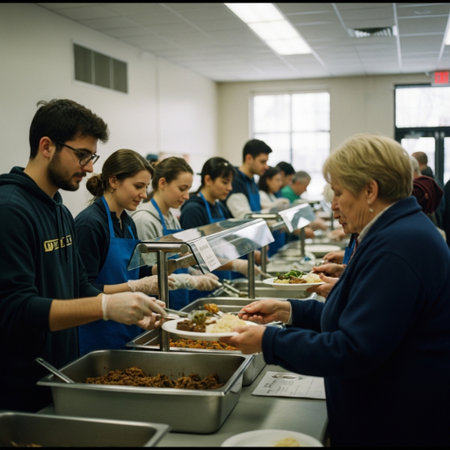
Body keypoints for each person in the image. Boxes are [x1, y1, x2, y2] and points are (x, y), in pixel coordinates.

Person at [221, 133, 450, 446]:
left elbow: (354, 348)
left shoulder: (398, 246)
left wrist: (268, 340)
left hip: (396, 423)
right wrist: (289, 310)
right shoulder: (394, 234)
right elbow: (356, 313)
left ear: (370, 191)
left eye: (340, 192)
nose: (335, 203)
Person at [0, 99, 165, 412]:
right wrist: (105, 306)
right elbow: (14, 309)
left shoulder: (59, 210)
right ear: (46, 146)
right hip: (18, 390)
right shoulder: (10, 210)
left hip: (59, 374)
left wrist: (131, 304)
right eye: (82, 155)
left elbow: (79, 286)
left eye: (93, 157)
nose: (90, 168)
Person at [75, 149, 173, 355]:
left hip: (129, 328)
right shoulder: (90, 224)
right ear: (113, 181)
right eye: (138, 186)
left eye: (146, 187)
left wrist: (163, 269)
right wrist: (134, 286)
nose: (144, 195)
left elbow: (138, 269)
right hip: (98, 335)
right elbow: (84, 289)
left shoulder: (127, 221)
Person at [132, 156, 220, 310]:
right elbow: (148, 274)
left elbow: (177, 263)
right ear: (162, 183)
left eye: (188, 189)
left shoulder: (172, 218)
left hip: (177, 302)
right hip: (157, 305)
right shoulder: (144, 219)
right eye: (182, 188)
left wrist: (196, 273)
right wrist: (190, 281)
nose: (187, 196)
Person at [180, 156, 267, 281]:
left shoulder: (220, 206)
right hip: (204, 283)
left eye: (231, 183)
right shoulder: (193, 210)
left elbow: (228, 239)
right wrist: (236, 265)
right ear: (208, 180)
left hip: (223, 279)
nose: (230, 188)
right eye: (225, 182)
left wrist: (248, 247)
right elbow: (195, 256)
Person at [225, 138, 271, 219]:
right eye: (262, 162)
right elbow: (244, 217)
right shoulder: (234, 182)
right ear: (249, 158)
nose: (266, 167)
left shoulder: (252, 181)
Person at [258, 166, 290, 256]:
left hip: (279, 243)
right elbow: (267, 214)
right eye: (277, 180)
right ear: (268, 180)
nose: (280, 183)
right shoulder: (262, 195)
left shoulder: (272, 195)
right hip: (271, 245)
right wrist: (278, 203)